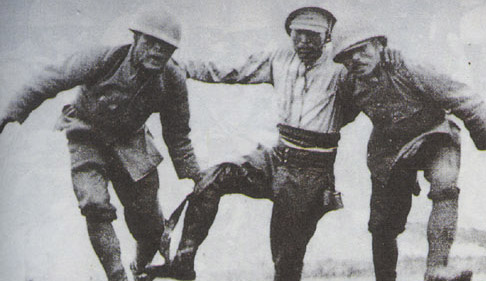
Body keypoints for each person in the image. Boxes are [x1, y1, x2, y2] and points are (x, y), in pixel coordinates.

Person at [146, 5, 398, 281]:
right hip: (276, 157)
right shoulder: (279, 59)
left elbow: (372, 99)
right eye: (297, 35)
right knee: (212, 179)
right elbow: (230, 71)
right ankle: (183, 262)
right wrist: (176, 65)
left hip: (311, 171)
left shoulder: (342, 69)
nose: (303, 42)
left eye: (312, 36)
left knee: (286, 255)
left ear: (327, 37)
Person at [0, 7, 200, 281]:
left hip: (132, 143)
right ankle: (116, 276)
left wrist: (193, 173)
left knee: (151, 226)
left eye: (165, 48)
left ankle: (140, 267)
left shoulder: (172, 79)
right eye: (150, 42)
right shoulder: (105, 59)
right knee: (94, 204)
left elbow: (178, 132)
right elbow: (52, 78)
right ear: (136, 38)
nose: (156, 51)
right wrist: (11, 113)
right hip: (87, 136)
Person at [333, 30, 486, 281]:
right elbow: (337, 115)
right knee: (382, 224)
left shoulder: (409, 67)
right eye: (347, 56)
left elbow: (465, 98)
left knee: (445, 185)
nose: (356, 59)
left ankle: (436, 268)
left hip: (433, 135)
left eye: (363, 50)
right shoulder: (349, 82)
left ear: (380, 46)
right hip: (390, 148)